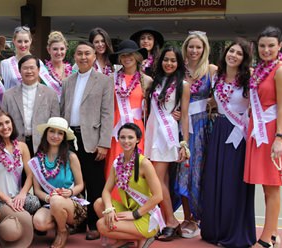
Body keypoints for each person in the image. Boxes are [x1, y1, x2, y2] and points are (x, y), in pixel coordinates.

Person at [200, 38, 256, 247]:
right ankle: (215, 230)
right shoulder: (217, 76)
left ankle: (234, 232)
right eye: (231, 51)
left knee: (233, 182)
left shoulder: (249, 78)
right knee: (215, 180)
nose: (233, 55)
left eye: (239, 53)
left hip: (239, 133)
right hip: (220, 130)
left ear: (245, 58)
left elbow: (258, 104)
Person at [244, 26, 282, 248]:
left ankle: (266, 240)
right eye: (262, 46)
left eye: (271, 45)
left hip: (272, 132)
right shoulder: (261, 70)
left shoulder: (281, 71)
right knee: (265, 186)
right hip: (258, 131)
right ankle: (272, 232)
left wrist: (278, 138)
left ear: (280, 46)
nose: (266, 50)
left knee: (272, 186)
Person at [60, 41, 114, 240]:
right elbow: (62, 108)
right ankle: (77, 221)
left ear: (94, 56)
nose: (83, 57)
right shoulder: (68, 81)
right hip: (69, 137)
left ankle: (93, 223)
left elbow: (107, 113)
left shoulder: (104, 81)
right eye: (80, 53)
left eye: (87, 54)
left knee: (93, 182)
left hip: (91, 138)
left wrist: (104, 143)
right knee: (72, 181)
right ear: (75, 56)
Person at [174, 31, 217, 237]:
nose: (194, 51)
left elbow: (228, 93)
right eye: (191, 46)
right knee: (183, 171)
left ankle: (200, 216)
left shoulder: (211, 70)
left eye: (198, 47)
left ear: (204, 49)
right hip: (180, 127)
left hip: (202, 127)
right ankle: (187, 217)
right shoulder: (177, 69)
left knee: (199, 172)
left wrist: (209, 103)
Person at [145, 46, 190, 241]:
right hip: (152, 131)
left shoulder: (183, 84)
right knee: (160, 180)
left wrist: (184, 143)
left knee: (157, 179)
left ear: (178, 63)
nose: (169, 63)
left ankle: (171, 221)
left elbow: (185, 116)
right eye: (166, 59)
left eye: (173, 60)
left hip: (168, 134)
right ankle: (165, 220)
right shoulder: (154, 82)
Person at [94, 123, 164, 248]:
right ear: (118, 139)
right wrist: (109, 209)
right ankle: (125, 239)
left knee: (101, 225)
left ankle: (146, 236)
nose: (126, 141)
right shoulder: (118, 162)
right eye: (122, 137)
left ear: (138, 140)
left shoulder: (144, 164)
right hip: (129, 209)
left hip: (145, 214)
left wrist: (135, 214)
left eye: (130, 138)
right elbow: (106, 191)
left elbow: (158, 196)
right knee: (100, 203)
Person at [0, 110, 38, 248]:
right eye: (0, 124)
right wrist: (7, 200)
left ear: (12, 123)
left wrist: (23, 194)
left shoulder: (22, 147)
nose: (5, 127)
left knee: (34, 203)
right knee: (19, 216)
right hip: (0, 200)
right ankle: (2, 227)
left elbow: (31, 174)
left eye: (7, 122)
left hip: (17, 197)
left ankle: (5, 226)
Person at [29, 117, 87, 248]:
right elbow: (37, 190)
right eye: (52, 131)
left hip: (73, 204)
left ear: (64, 137)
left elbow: (80, 185)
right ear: (46, 133)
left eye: (60, 133)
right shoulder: (37, 159)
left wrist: (70, 191)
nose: (55, 136)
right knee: (39, 223)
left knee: (57, 200)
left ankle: (61, 232)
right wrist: (48, 197)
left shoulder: (71, 157)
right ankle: (62, 224)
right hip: (51, 202)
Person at [105, 40, 152, 180]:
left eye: (130, 54)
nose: (127, 58)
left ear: (137, 56)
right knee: (115, 166)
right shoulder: (110, 79)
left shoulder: (147, 80)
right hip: (116, 129)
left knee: (136, 167)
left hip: (137, 129)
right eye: (123, 55)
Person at [1, 55, 59, 157]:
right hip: (16, 145)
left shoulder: (50, 94)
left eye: (32, 68)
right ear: (19, 71)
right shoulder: (8, 95)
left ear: (39, 69)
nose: (29, 71)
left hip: (42, 145)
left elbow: (55, 122)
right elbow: (2, 120)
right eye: (25, 68)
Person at [41, 31, 73, 100]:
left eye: (62, 49)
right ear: (49, 50)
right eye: (55, 49)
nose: (59, 52)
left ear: (66, 49)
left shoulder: (73, 72)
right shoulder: (42, 72)